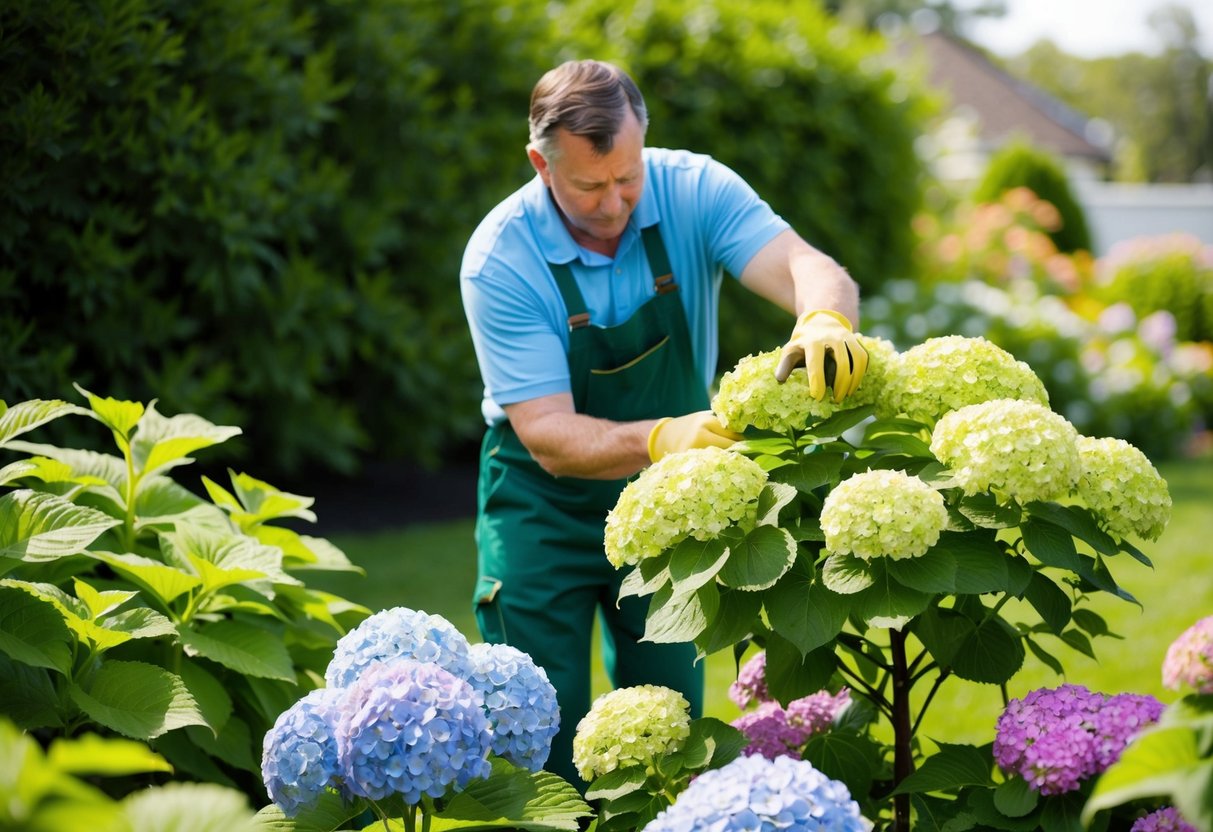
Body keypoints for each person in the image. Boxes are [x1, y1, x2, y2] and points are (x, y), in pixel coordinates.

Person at [458, 59, 868, 785]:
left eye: (627, 176)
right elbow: (549, 436)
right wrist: (660, 436)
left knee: (670, 721)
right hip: (540, 503)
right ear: (539, 163)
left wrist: (824, 316)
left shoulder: (693, 187)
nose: (615, 202)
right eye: (590, 185)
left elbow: (809, 266)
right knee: (532, 720)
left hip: (673, 503)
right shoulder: (501, 259)